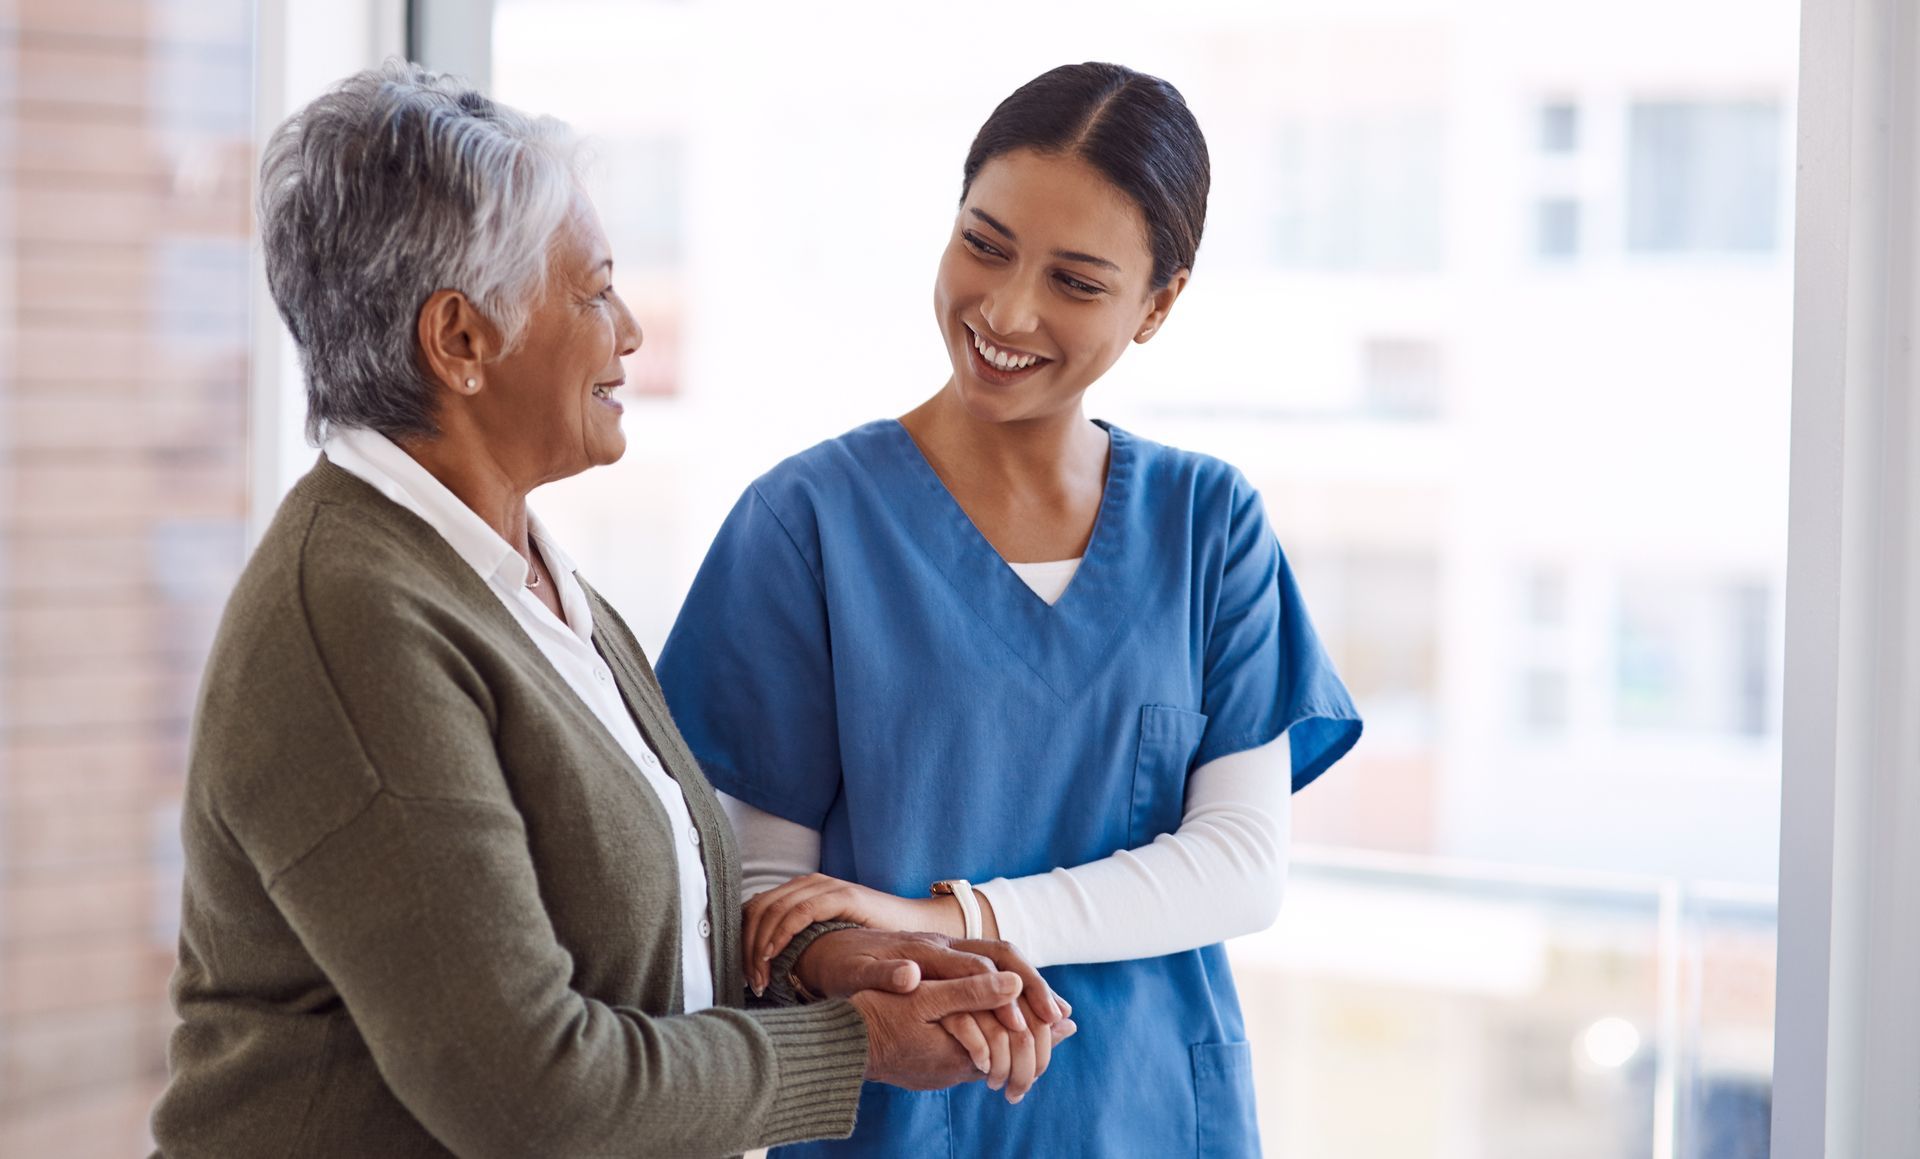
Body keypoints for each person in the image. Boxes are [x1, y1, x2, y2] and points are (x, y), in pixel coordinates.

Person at [149, 61, 1072, 1159]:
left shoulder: (516, 575)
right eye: (592, 292)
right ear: (460, 341)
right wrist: (853, 1042)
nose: (630, 330)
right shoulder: (354, 618)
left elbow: (591, 929)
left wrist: (814, 959)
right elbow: (529, 1091)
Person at [656, 62, 1364, 1157]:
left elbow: (1238, 864)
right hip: (899, 1116)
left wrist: (955, 918)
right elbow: (770, 897)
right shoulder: (805, 524)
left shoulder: (1209, 525)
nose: (1007, 309)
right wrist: (878, 953)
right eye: (984, 244)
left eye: (1078, 282)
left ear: (1158, 304)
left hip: (1152, 1115)